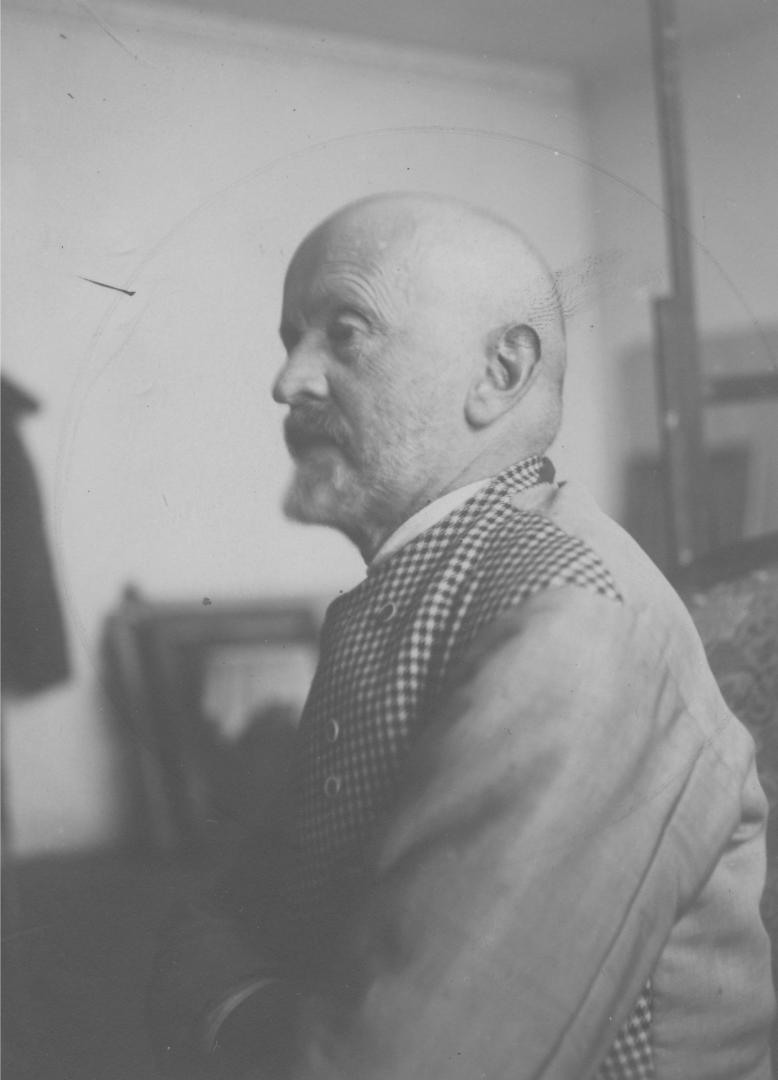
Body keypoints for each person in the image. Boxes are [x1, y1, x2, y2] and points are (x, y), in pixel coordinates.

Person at [148, 193, 775, 1080]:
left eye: (345, 333)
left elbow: (397, 1066)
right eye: (290, 339)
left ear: (500, 373)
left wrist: (218, 1000)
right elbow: (244, 900)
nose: (287, 382)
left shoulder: (570, 616)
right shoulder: (436, 577)